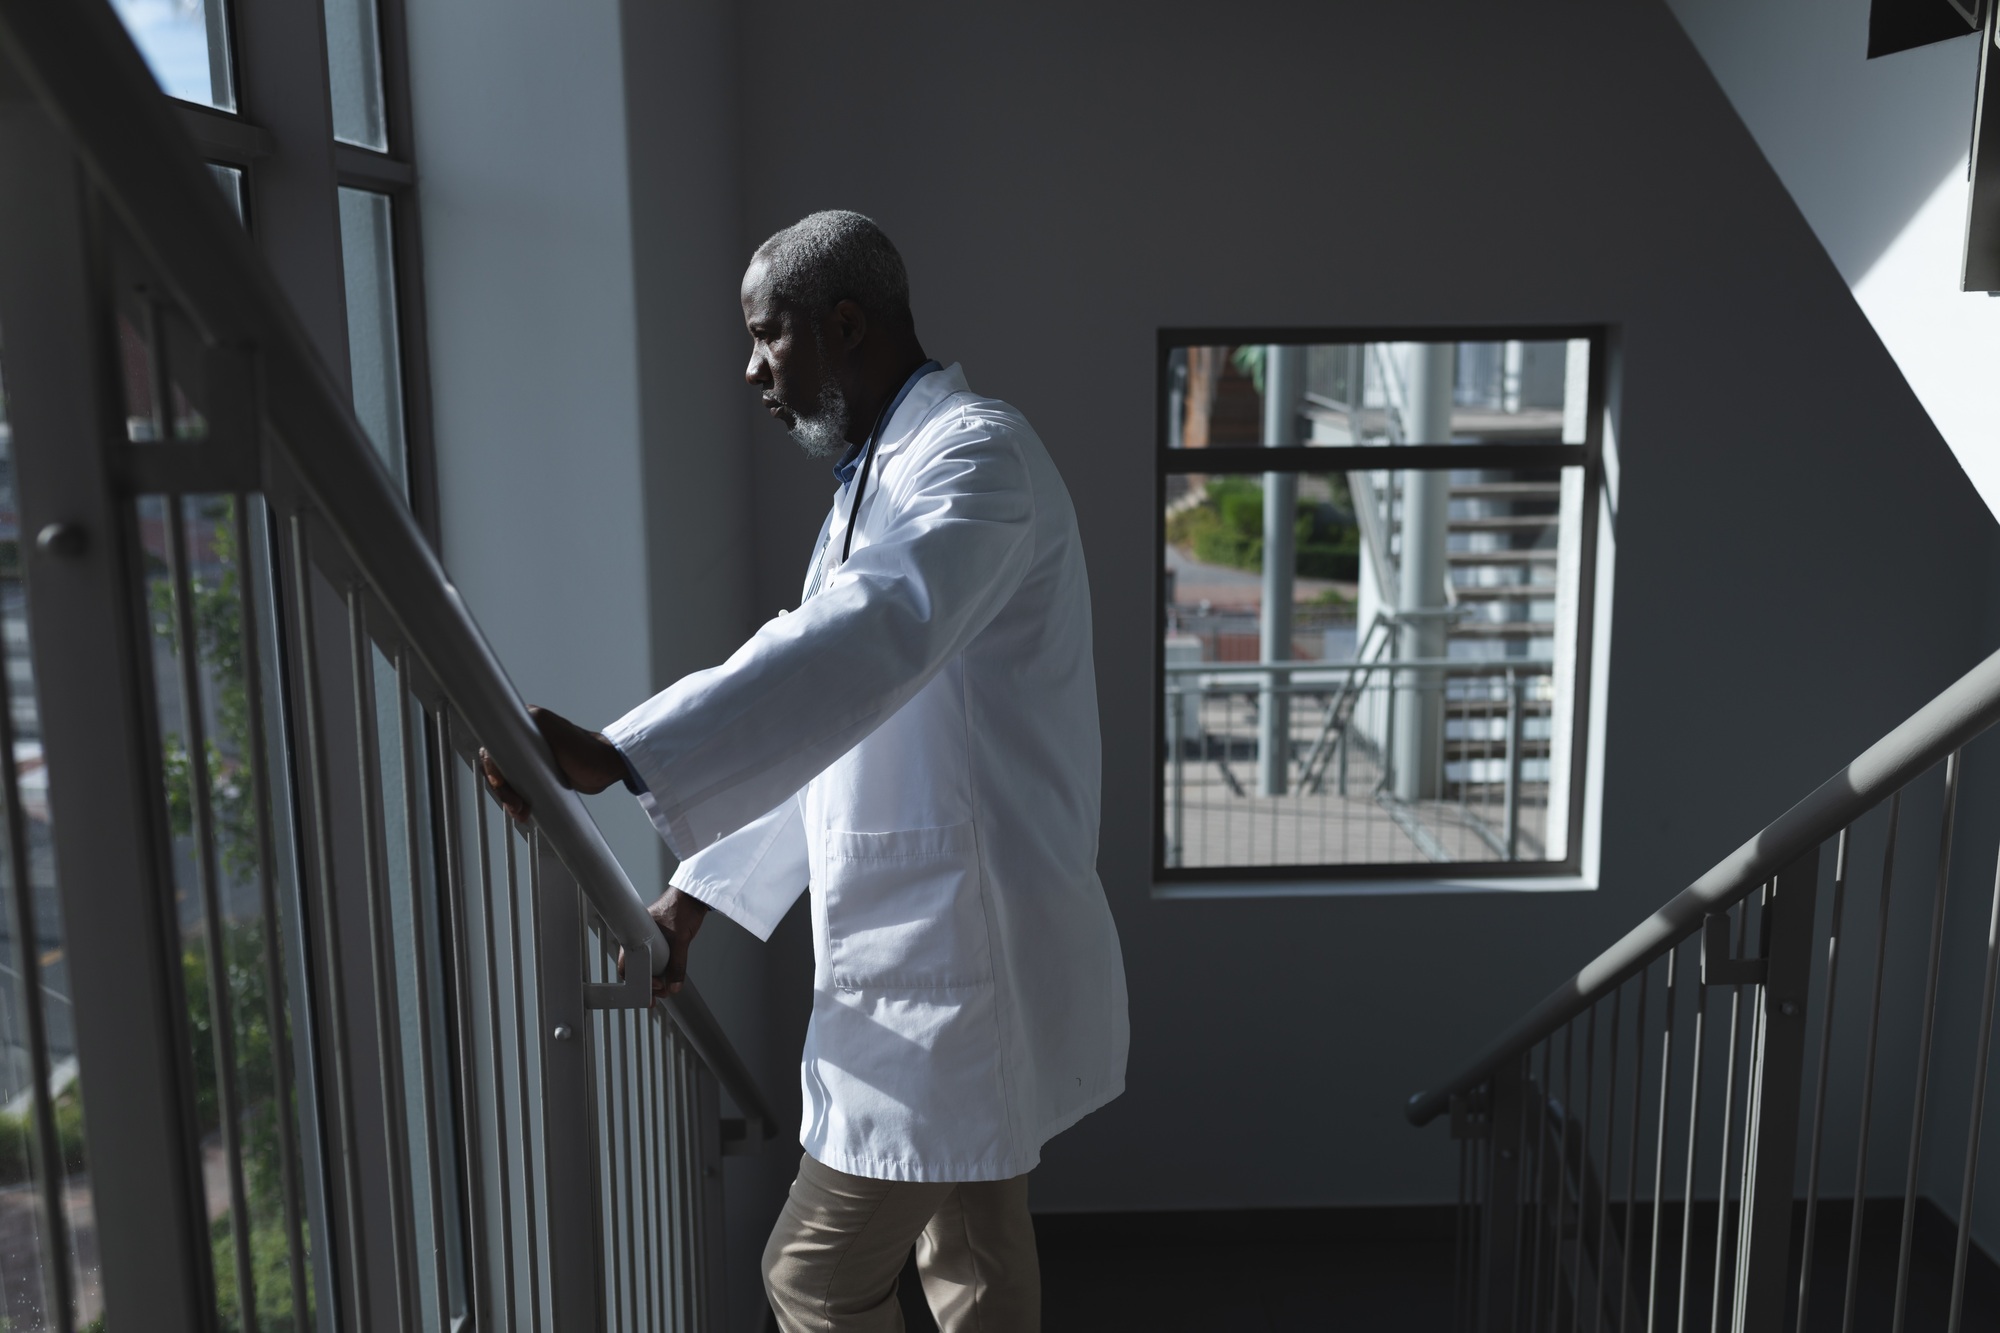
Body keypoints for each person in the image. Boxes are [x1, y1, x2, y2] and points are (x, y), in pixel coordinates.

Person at [481, 210, 1127, 1332]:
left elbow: (871, 638)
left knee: (812, 1279)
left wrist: (624, 750)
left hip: (960, 957)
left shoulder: (977, 457)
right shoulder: (872, 485)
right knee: (973, 1261)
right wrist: (697, 894)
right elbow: (836, 718)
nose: (749, 369)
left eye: (766, 336)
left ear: (842, 323)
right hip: (940, 952)